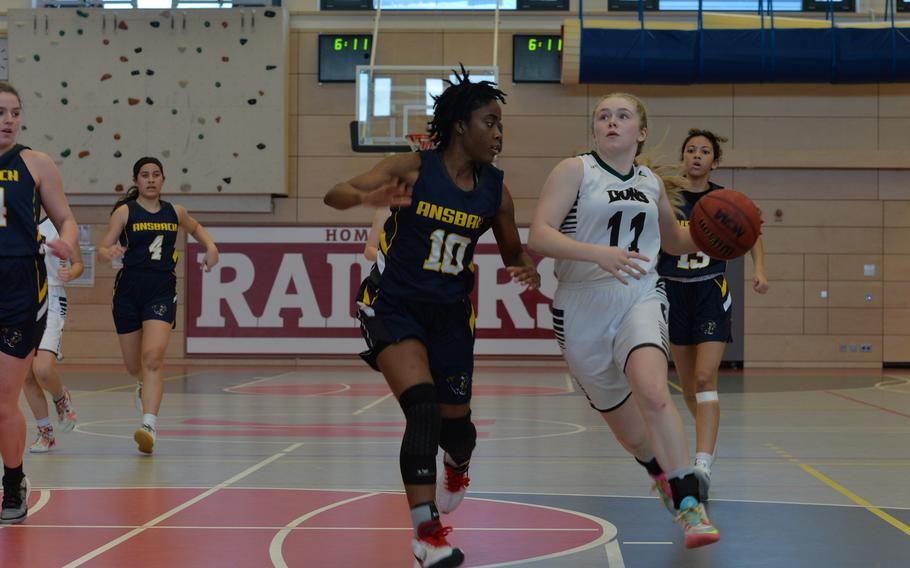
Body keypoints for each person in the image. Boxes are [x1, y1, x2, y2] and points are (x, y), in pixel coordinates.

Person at [324, 70, 540, 568]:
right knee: (421, 410)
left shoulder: (496, 193)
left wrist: (527, 267)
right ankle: (427, 534)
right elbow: (334, 192)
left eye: (501, 125)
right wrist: (365, 197)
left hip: (450, 316)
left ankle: (457, 463)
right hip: (393, 304)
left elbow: (512, 252)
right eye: (491, 122)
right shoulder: (413, 168)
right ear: (461, 126)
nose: (499, 134)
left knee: (456, 428)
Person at [528, 93, 721, 549]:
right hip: (580, 304)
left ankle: (691, 506)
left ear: (642, 131)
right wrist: (600, 255)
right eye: (603, 116)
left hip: (640, 293)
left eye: (623, 115)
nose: (612, 122)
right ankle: (659, 473)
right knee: (634, 436)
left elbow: (673, 241)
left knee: (655, 391)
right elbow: (540, 234)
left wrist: (722, 235)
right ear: (594, 131)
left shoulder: (651, 181)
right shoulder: (575, 170)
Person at [657, 129, 769, 500]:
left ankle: (702, 464)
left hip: (709, 289)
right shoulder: (668, 195)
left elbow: (753, 234)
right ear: (683, 156)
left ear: (714, 161)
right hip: (672, 290)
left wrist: (759, 270)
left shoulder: (725, 200)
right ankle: (706, 435)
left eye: (704, 151)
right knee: (688, 386)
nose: (697, 156)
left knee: (706, 378)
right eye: (691, 150)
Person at [98, 157, 219, 455]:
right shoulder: (124, 212)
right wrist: (108, 252)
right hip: (127, 291)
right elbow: (102, 249)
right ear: (136, 181)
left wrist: (211, 247)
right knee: (133, 365)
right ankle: (141, 383)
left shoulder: (174, 211)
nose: (150, 180)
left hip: (161, 290)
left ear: (163, 180)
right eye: (144, 175)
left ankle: (149, 424)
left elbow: (196, 227)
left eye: (155, 175)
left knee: (153, 357)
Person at [0, 82, 79, 524]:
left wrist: (67, 243)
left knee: (3, 398)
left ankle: (13, 483)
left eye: (15, 112)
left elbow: (66, 218)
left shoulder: (36, 164)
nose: (8, 120)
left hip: (20, 286)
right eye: (0, 112)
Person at [22, 215, 84, 453]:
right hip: (18, 300)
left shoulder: (60, 223)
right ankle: (45, 434)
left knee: (43, 369)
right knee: (26, 375)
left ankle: (61, 398)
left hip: (51, 297)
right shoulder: (12, 218)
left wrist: (72, 273)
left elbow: (78, 263)